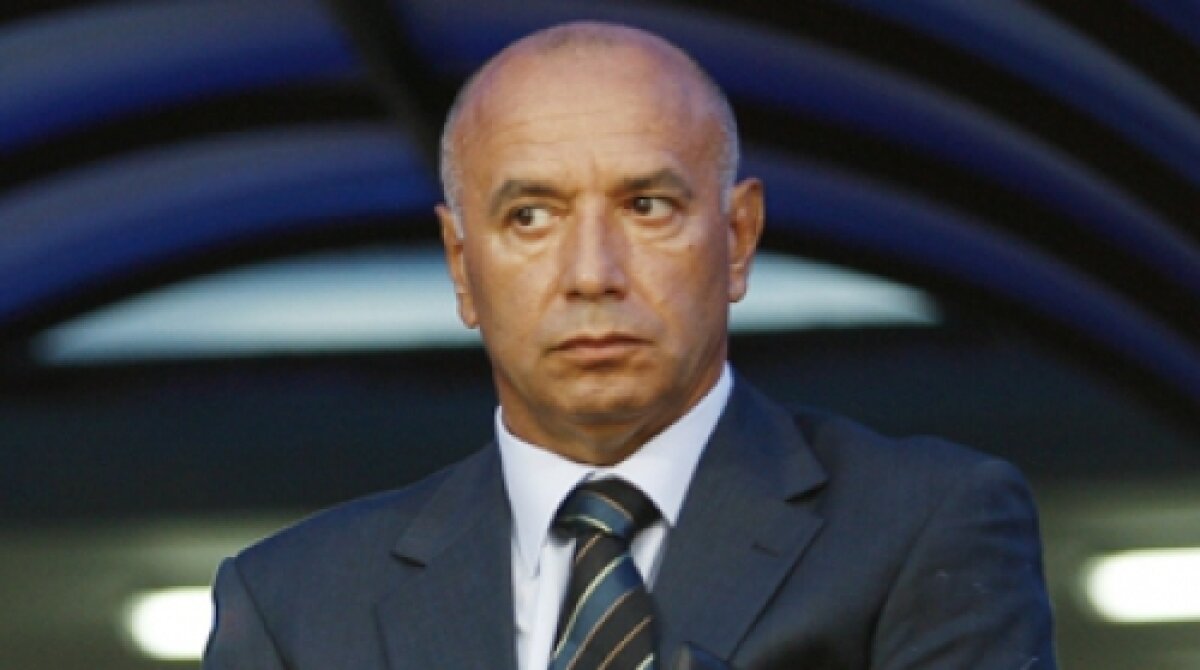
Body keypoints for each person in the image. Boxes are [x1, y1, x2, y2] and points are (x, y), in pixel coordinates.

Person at [204, 21, 1056, 670]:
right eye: (530, 217)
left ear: (738, 239)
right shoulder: (293, 604)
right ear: (462, 266)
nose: (591, 274)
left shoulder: (923, 527)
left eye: (646, 207)